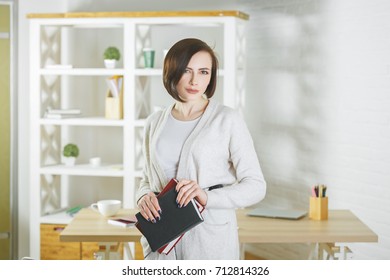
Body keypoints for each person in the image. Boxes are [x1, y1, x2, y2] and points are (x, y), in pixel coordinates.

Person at [136, 38, 266, 260]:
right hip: (162, 241)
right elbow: (147, 179)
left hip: (210, 240)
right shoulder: (154, 122)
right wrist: (143, 197)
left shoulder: (227, 120)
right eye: (187, 71)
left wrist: (206, 197)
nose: (195, 80)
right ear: (172, 71)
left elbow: (256, 186)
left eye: (204, 72)